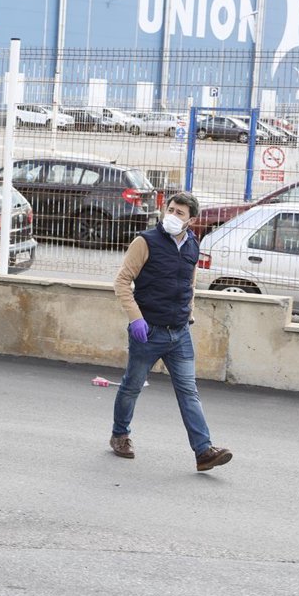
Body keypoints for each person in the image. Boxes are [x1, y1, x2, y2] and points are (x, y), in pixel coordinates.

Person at [110, 191, 233, 472]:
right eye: (171, 209)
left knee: (189, 391)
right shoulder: (145, 242)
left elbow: (190, 283)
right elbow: (122, 282)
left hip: (179, 334)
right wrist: (136, 319)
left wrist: (189, 313)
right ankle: (119, 435)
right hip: (148, 332)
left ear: (191, 220)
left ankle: (203, 452)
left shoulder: (192, 245)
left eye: (180, 213)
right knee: (132, 386)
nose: (173, 216)